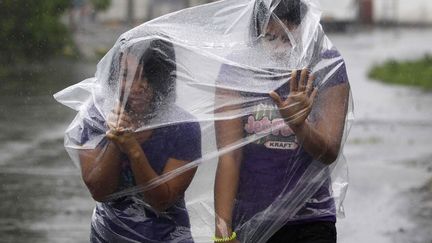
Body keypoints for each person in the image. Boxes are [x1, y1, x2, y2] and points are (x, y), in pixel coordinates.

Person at [213, 0, 350, 242]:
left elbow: (328, 152)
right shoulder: (238, 70)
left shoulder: (325, 66)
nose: (278, 49)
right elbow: (229, 156)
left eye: (288, 39)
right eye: (270, 37)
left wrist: (299, 125)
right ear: (256, 36)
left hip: (310, 220)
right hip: (251, 219)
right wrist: (222, 233)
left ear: (305, 34)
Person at [76, 39, 202, 242]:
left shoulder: (183, 127)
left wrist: (134, 150)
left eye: (145, 77)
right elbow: (99, 191)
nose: (135, 87)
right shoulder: (97, 117)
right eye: (126, 75)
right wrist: (115, 140)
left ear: (162, 79)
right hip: (108, 236)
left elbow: (162, 201)